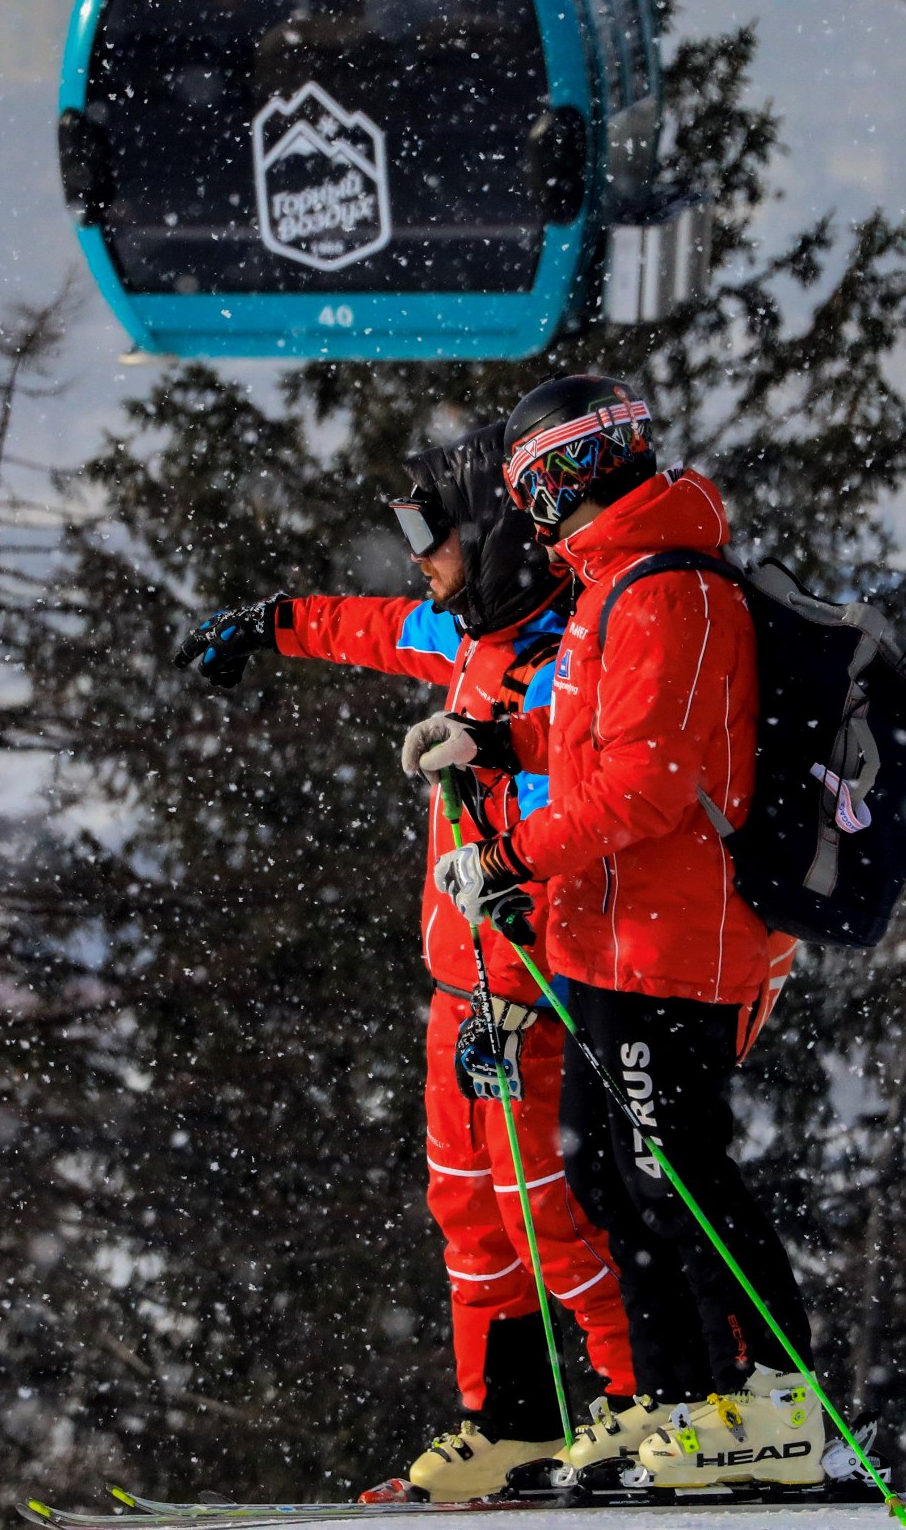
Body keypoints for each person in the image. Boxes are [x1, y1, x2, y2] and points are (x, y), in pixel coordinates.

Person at [176, 422, 636, 1502]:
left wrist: (532, 963)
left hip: (533, 989)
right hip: (458, 985)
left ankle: (634, 1403)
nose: (419, 556)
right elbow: (375, 627)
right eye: (407, 530)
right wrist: (271, 624)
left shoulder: (574, 656)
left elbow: (587, 819)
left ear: (504, 539)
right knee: (468, 1205)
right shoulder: (473, 639)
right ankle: (510, 1424)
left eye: (433, 531)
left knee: (554, 1208)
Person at [402, 376, 818, 1491]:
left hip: (673, 940)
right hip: (613, 936)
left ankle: (781, 1403)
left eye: (526, 486)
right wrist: (499, 745)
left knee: (673, 1171)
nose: (521, 514)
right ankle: (677, 1401)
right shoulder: (613, 582)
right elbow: (595, 738)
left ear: (559, 478)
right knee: (603, 1169)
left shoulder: (665, 589)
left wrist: (504, 856)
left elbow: (647, 784)